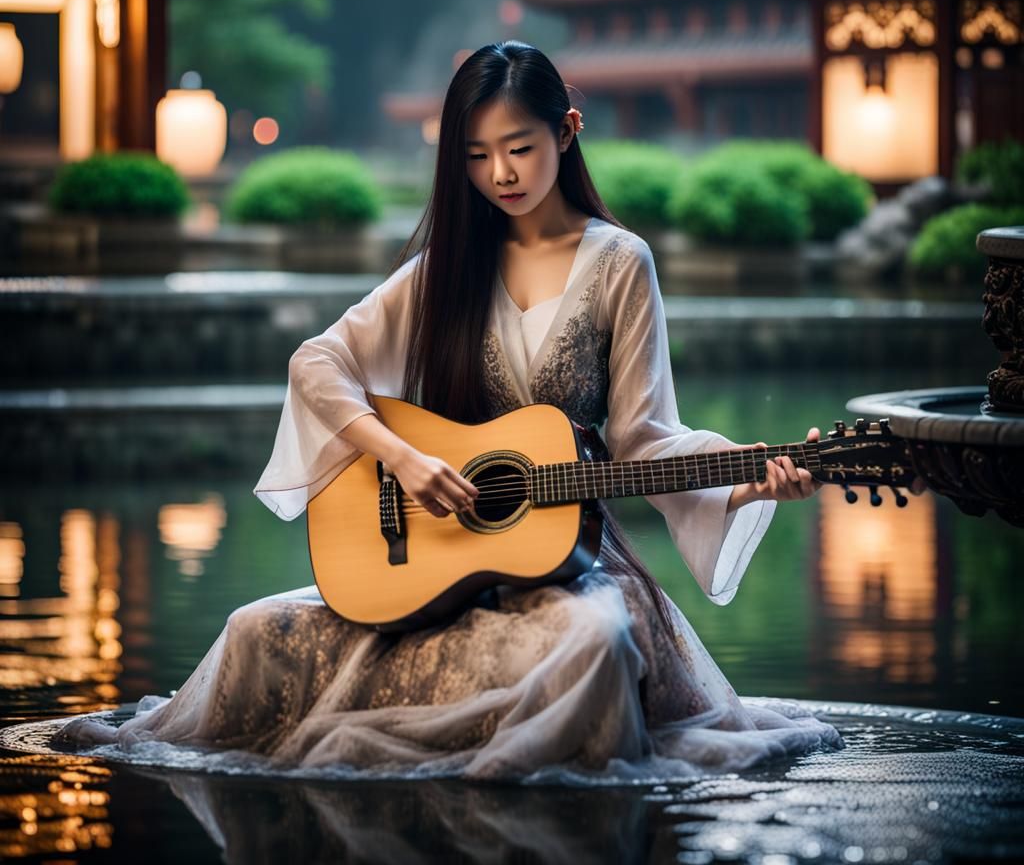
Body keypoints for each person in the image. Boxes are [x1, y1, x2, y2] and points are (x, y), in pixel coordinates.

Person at [57, 40, 844, 781]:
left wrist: (744, 481)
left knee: (595, 646)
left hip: (568, 561)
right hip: (439, 553)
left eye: (519, 147)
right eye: (476, 155)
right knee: (254, 630)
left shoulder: (619, 263)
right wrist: (399, 455)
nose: (500, 172)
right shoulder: (447, 270)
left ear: (567, 132)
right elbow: (317, 362)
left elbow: (641, 439)